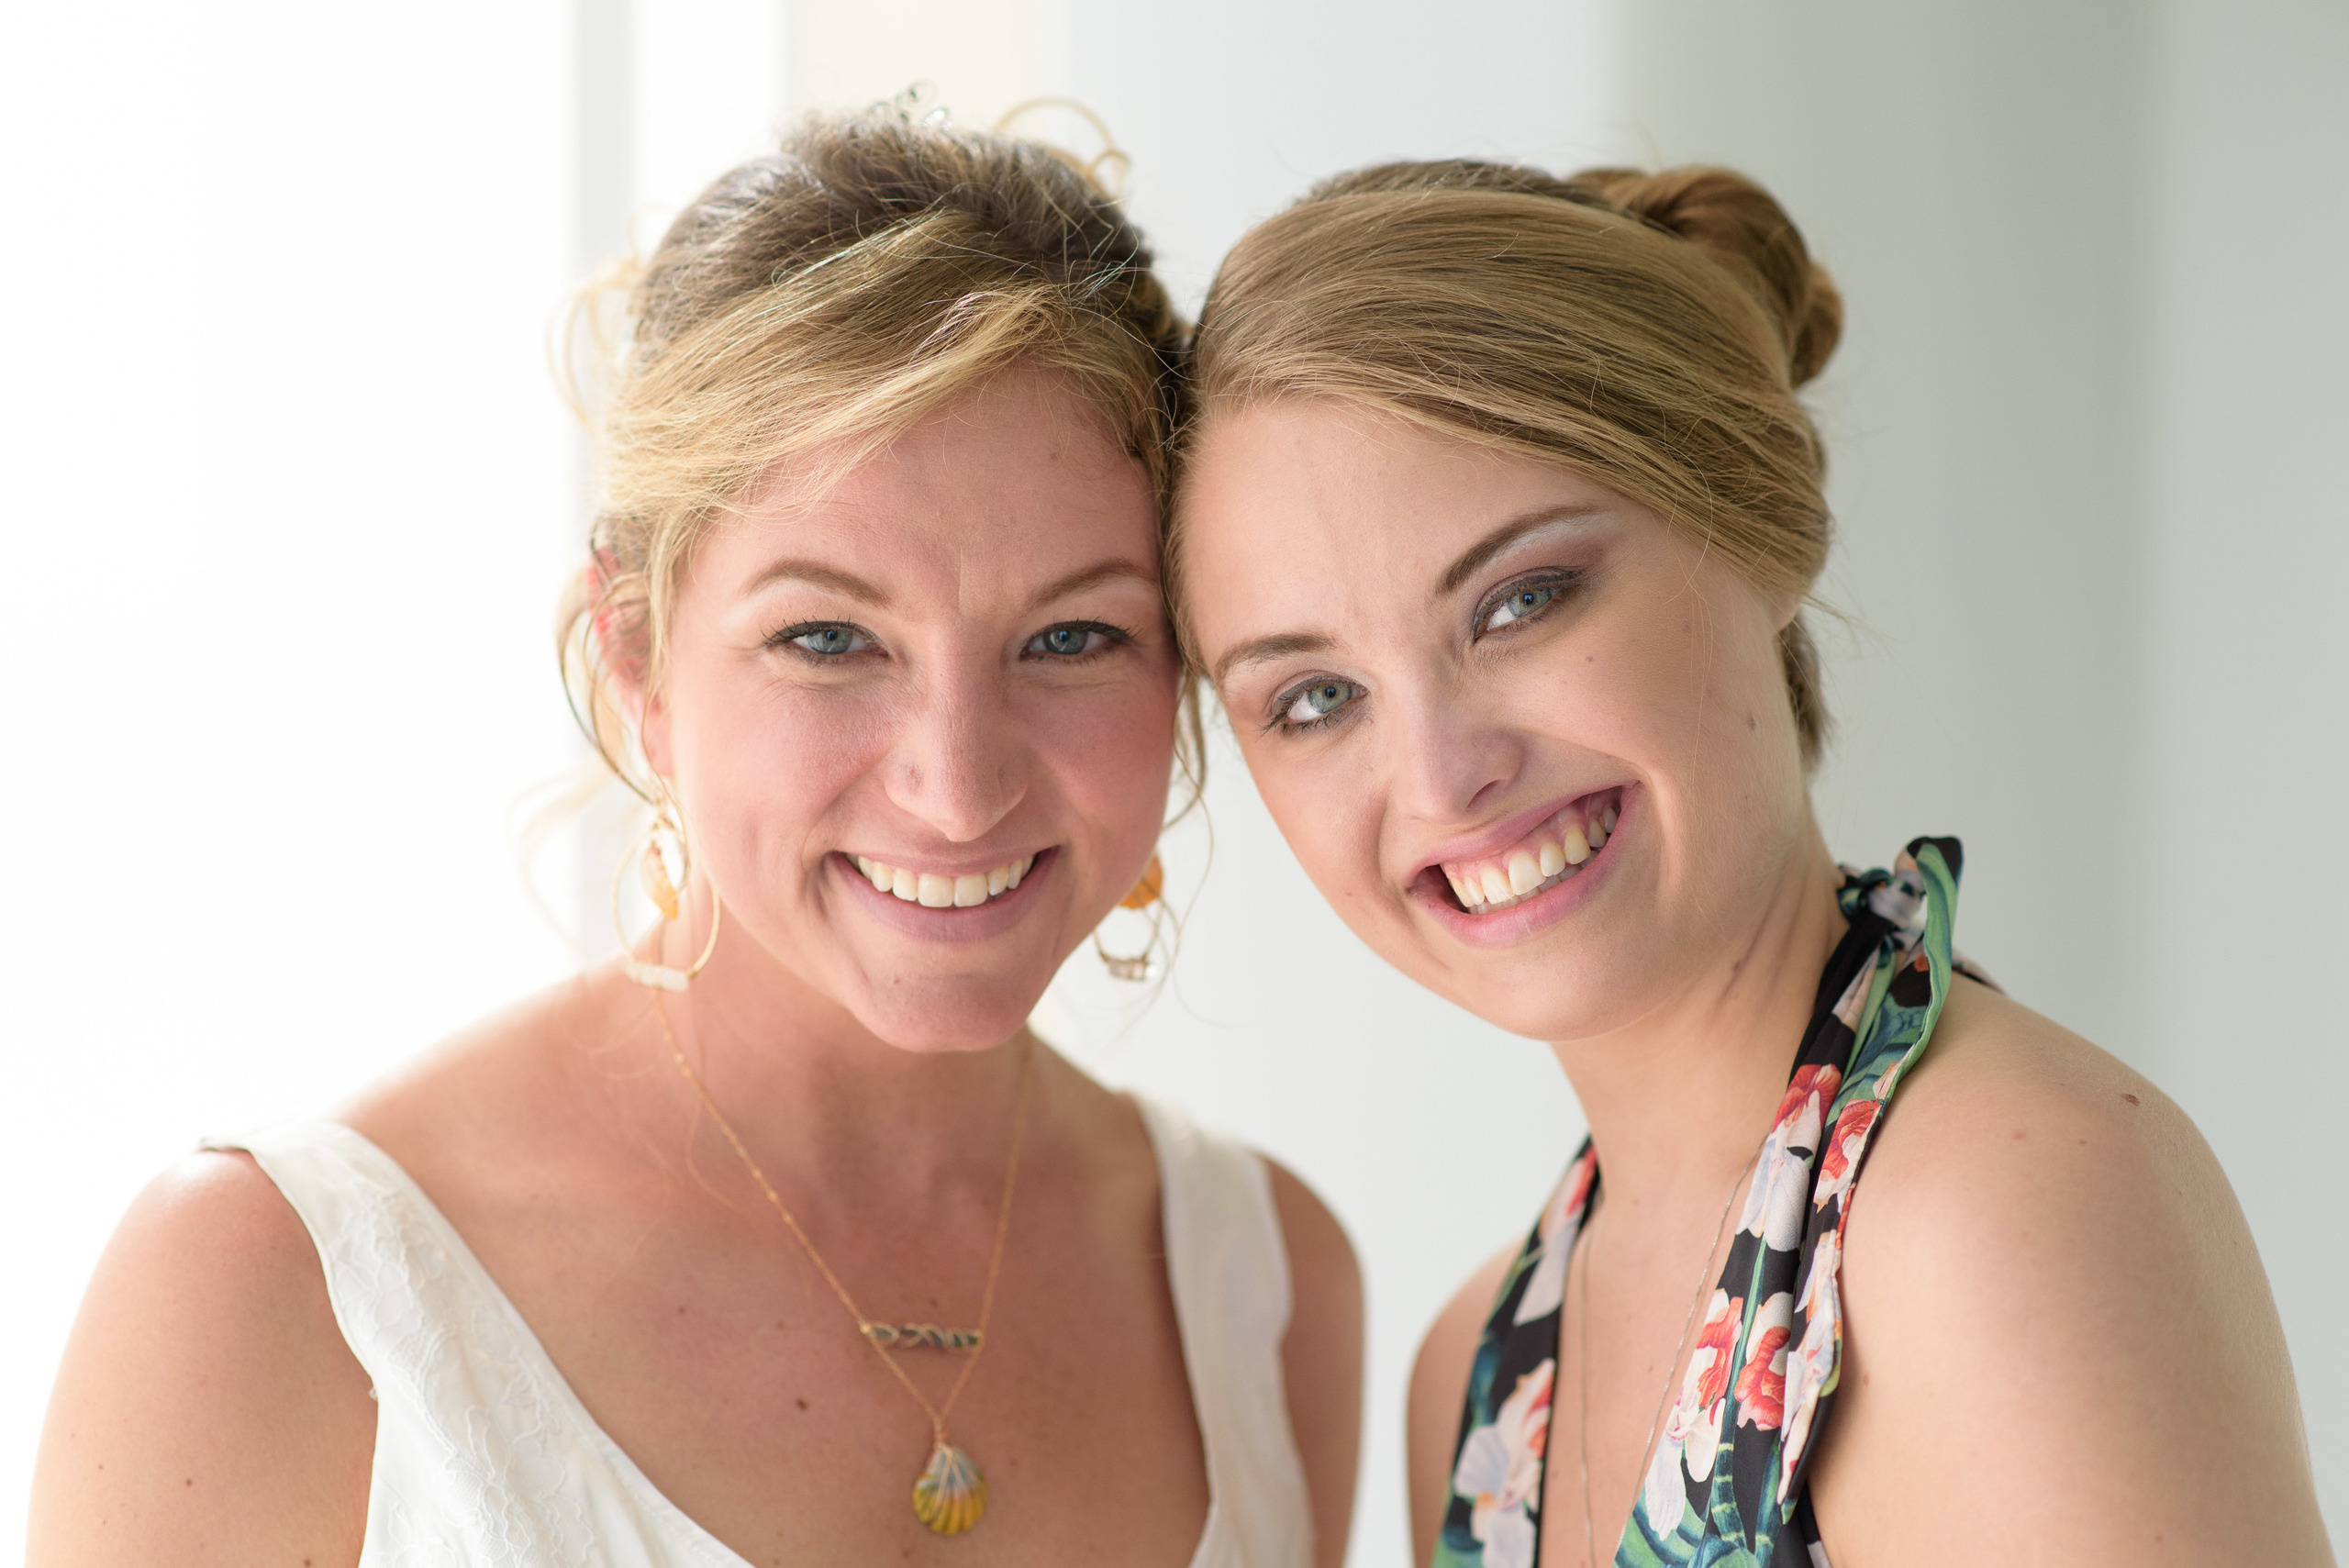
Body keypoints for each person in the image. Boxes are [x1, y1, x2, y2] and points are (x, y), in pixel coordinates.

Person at [29, 111, 1361, 1568]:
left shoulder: (1264, 1288)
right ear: (639, 658)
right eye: (830, 636)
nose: (959, 784)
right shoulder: (269, 1294)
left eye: (1071, 634)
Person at [1171, 160, 2331, 1565]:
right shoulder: (1474, 1383)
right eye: (1312, 696)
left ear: (1758, 518)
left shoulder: (1996, 1211)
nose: (1438, 775)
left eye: (1522, 599)